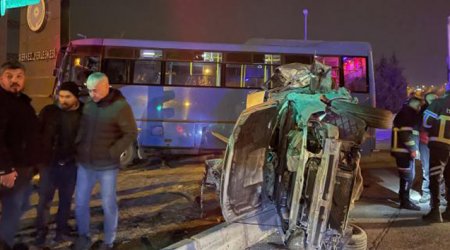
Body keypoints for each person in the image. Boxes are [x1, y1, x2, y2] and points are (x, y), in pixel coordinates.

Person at [73, 72, 137, 250]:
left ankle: (108, 242)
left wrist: (113, 152)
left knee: (108, 204)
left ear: (106, 86)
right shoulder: (89, 105)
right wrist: (77, 145)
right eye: (89, 90)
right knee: (80, 203)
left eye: (95, 91)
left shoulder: (120, 107)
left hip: (107, 167)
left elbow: (131, 132)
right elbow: (83, 128)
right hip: (85, 164)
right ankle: (83, 236)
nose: (91, 94)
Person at [34, 82, 83, 246]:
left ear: (76, 97)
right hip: (48, 164)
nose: (63, 100)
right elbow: (37, 134)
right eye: (61, 96)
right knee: (44, 202)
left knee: (65, 201)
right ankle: (41, 233)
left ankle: (61, 232)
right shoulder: (49, 111)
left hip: (71, 164)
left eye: (67, 97)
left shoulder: (84, 114)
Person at [0, 61, 40, 248]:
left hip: (23, 167)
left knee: (22, 204)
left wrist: (35, 165)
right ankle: (5, 243)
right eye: (9, 76)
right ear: (1, 78)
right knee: (12, 208)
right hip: (9, 169)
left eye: (19, 76)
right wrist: (5, 169)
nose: (14, 80)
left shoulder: (22, 102)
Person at [422, 83, 450, 222]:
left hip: (439, 147)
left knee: (435, 177)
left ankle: (435, 211)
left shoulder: (438, 103)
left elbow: (426, 121)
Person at [391, 96, 422, 211]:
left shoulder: (404, 113)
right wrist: (413, 148)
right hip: (403, 152)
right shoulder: (408, 114)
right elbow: (405, 133)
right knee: (407, 177)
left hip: (402, 151)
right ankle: (405, 201)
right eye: (419, 106)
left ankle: (404, 197)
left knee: (407, 176)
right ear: (416, 105)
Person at [418, 92, 438, 203]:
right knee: (426, 168)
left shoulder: (442, 110)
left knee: (439, 169)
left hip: (438, 143)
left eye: (434, 99)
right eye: (430, 100)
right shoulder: (422, 112)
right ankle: (426, 193)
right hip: (425, 144)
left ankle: (440, 194)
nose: (433, 102)